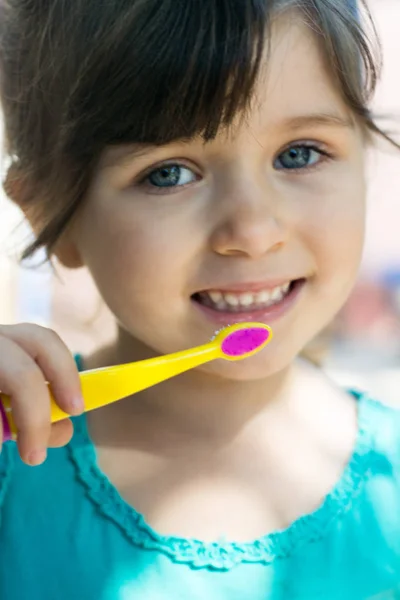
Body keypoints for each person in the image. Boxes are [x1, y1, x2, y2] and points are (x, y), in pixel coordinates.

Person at [0, 0, 399, 598]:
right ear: (50, 213)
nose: (254, 231)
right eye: (168, 173)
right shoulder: (12, 469)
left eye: (299, 153)